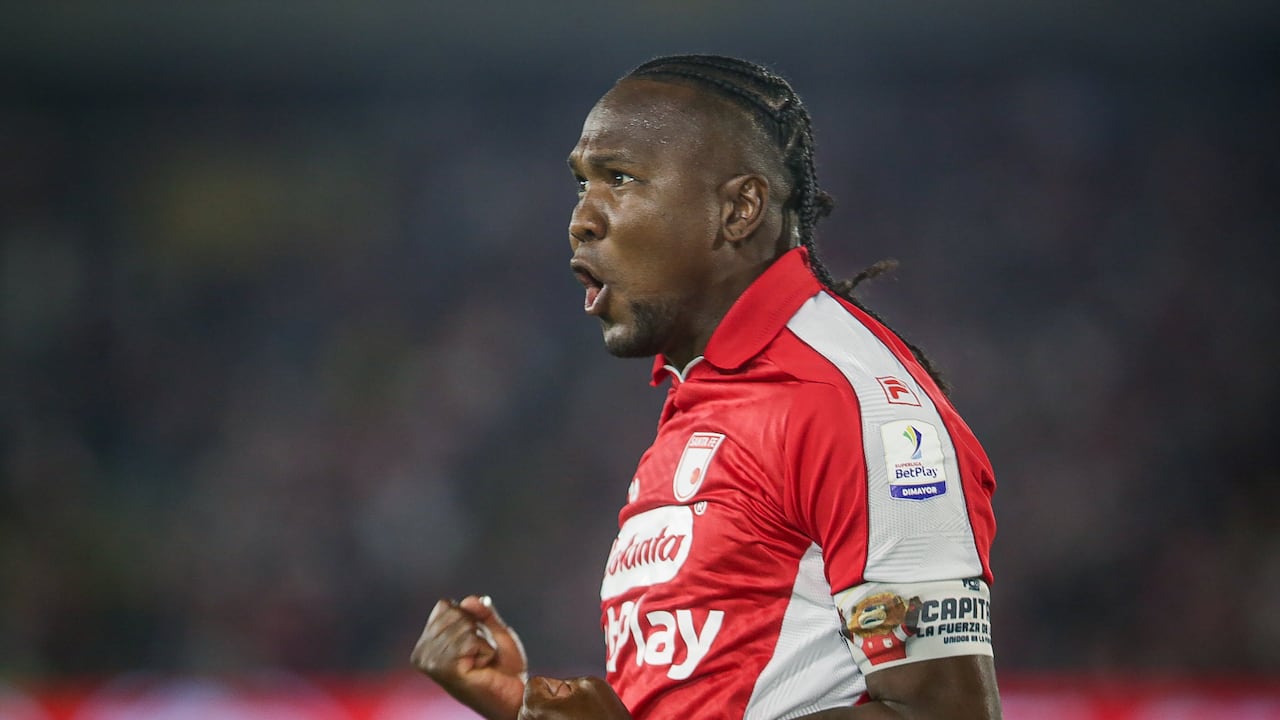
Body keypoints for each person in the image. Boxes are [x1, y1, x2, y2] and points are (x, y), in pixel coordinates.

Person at [412, 54, 1001, 720]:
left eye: (620, 179)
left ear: (740, 209)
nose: (582, 219)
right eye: (582, 183)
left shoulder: (852, 407)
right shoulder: (704, 394)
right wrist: (526, 705)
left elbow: (941, 715)